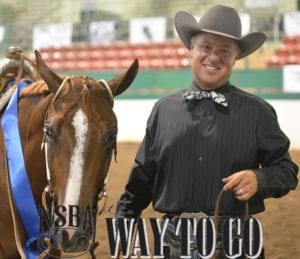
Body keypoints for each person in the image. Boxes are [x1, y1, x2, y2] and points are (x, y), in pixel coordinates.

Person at [116, 4, 298, 258]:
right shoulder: (162, 110)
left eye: (225, 50)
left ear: (236, 57)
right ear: (191, 49)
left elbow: (287, 171)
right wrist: (122, 230)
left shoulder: (259, 112)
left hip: (239, 243)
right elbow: (141, 181)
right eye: (206, 47)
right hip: (172, 243)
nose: (214, 57)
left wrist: (260, 179)